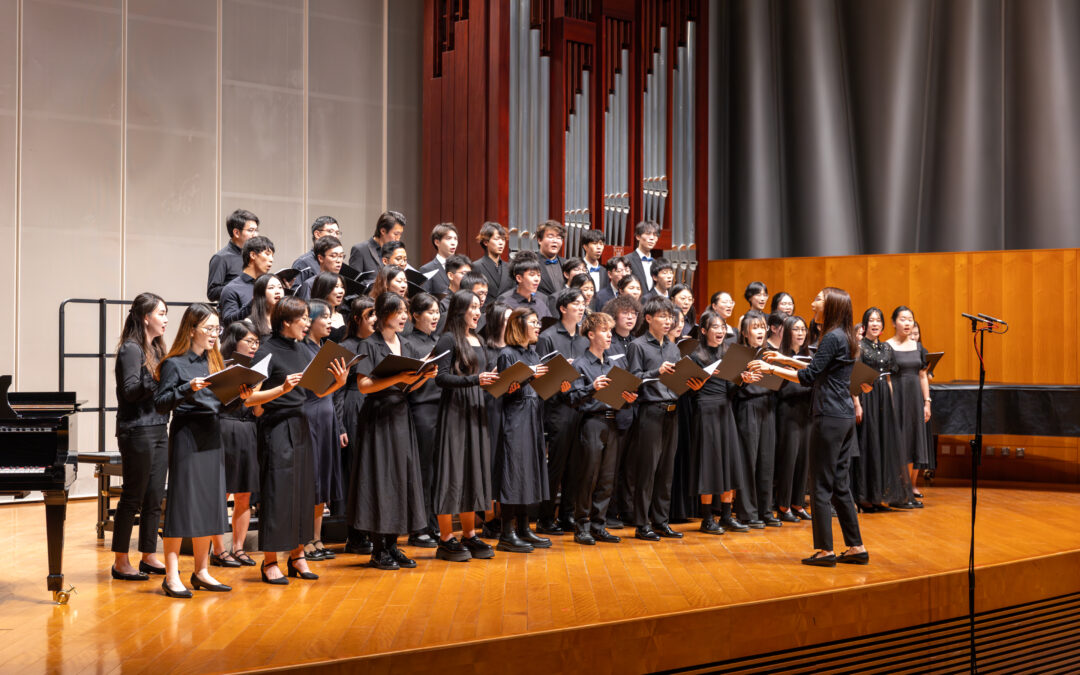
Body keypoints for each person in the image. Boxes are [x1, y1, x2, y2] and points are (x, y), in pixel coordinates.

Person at [753, 287, 868, 567]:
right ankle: (856, 547)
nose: (813, 301)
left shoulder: (831, 337)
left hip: (828, 415)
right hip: (842, 416)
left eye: (818, 298)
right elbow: (820, 368)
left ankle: (825, 550)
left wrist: (771, 370)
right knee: (840, 484)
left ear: (830, 306)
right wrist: (783, 359)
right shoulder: (846, 336)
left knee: (819, 484)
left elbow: (810, 377)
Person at [244, 296, 349, 584]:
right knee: (278, 494)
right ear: (286, 322)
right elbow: (249, 399)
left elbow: (314, 392)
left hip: (303, 424)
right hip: (276, 427)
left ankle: (298, 555)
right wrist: (280, 389)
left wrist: (336, 384)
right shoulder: (265, 351)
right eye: (302, 318)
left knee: (304, 491)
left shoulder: (304, 350)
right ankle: (269, 562)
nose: (307, 323)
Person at [153, 304, 238, 597]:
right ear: (192, 330)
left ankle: (201, 571)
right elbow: (161, 403)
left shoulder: (215, 362)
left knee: (209, 503)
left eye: (218, 329)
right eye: (209, 329)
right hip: (188, 435)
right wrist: (186, 388)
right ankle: (171, 575)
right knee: (181, 505)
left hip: (213, 435)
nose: (215, 334)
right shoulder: (174, 364)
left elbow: (224, 404)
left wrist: (241, 395)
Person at [349, 293, 435, 570]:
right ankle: (378, 549)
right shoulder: (369, 344)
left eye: (405, 311)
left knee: (401, 478)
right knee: (380, 479)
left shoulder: (407, 344)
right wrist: (398, 377)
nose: (403, 316)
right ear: (384, 313)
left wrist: (422, 376)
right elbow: (364, 386)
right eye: (398, 311)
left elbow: (409, 387)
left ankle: (393, 546)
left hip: (400, 414)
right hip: (377, 416)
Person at [626, 297, 704, 541]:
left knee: (666, 471)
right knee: (647, 471)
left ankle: (661, 520)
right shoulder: (638, 345)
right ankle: (642, 523)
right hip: (650, 411)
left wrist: (693, 382)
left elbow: (677, 378)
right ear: (648, 318)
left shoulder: (673, 347)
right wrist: (655, 372)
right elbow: (634, 379)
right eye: (662, 316)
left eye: (670, 317)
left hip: (673, 410)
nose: (668, 321)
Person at [430, 291, 499, 561]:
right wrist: (475, 381)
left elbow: (483, 375)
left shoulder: (478, 338)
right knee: (452, 471)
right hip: (455, 409)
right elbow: (441, 378)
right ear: (459, 310)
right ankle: (446, 538)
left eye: (479, 307)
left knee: (472, 470)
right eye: (473, 307)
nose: (478, 312)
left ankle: (469, 534)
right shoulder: (448, 338)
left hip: (476, 408)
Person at [109, 293, 170, 581]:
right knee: (133, 496)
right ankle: (121, 561)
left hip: (159, 427)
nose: (166, 319)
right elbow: (130, 392)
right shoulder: (130, 350)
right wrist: (158, 376)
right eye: (161, 313)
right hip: (136, 429)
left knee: (155, 496)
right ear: (146, 317)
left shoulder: (158, 349)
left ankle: (149, 555)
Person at [567, 312, 635, 544]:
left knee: (607, 477)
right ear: (590, 334)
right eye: (605, 331)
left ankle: (599, 525)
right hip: (592, 423)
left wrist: (628, 397)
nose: (609, 335)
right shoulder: (581, 364)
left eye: (610, 331)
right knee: (589, 476)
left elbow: (620, 394)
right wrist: (592, 387)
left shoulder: (614, 363)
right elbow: (573, 397)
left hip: (613, 421)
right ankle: (581, 526)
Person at [494, 309, 554, 553]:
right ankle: (506, 533)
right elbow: (506, 390)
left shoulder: (533, 353)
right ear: (518, 326)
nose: (538, 326)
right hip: (515, 417)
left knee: (529, 471)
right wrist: (530, 375)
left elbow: (539, 389)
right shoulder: (507, 354)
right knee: (514, 472)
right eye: (533, 322)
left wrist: (556, 382)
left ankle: (524, 528)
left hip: (533, 415)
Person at [687, 309, 746, 534]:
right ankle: (707, 518)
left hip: (724, 408)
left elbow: (730, 390)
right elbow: (689, 392)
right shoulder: (696, 355)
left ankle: (727, 515)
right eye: (715, 327)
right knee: (708, 463)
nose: (720, 331)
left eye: (723, 327)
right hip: (705, 409)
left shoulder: (728, 353)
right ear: (704, 331)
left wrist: (741, 380)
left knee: (728, 461)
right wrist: (697, 387)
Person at [536, 288, 589, 535]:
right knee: (556, 465)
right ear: (562, 308)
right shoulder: (548, 337)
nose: (581, 307)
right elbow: (541, 374)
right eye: (576, 303)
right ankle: (546, 518)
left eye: (583, 303)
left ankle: (567, 515)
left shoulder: (584, 340)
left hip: (581, 405)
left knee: (575, 466)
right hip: (557, 407)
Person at [301, 300, 346, 561]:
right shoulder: (304, 349)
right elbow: (314, 389)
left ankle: (317, 538)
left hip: (327, 416)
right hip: (311, 416)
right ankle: (305, 539)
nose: (329, 321)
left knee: (324, 481)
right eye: (325, 317)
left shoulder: (323, 348)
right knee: (313, 479)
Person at [215, 320, 262, 568]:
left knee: (244, 494)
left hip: (248, 430)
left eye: (256, 342)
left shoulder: (256, 371)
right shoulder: (222, 367)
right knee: (222, 493)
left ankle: (239, 547)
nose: (254, 346)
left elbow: (258, 411)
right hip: (224, 428)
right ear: (235, 341)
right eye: (249, 341)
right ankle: (218, 549)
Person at [854, 307, 910, 512]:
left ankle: (878, 496)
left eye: (878, 320)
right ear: (865, 325)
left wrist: (891, 402)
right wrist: (857, 404)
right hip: (865, 396)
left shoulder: (886, 348)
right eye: (871, 320)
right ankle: (864, 497)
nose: (875, 324)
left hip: (883, 397)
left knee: (882, 445)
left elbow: (888, 377)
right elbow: (855, 376)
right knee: (868, 445)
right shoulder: (859, 346)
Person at [731, 310, 778, 529]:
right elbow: (728, 387)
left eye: (762, 327)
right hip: (746, 407)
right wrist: (741, 380)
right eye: (755, 328)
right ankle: (747, 512)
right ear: (744, 333)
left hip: (767, 406)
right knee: (748, 460)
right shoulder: (737, 354)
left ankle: (765, 509)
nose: (760, 331)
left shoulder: (769, 354)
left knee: (766, 461)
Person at [402, 292, 442, 548]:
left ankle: (436, 523)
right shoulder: (407, 344)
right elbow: (404, 385)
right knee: (423, 471)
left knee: (439, 471)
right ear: (415, 315)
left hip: (442, 408)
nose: (435, 317)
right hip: (421, 409)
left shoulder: (439, 341)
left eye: (437, 312)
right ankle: (419, 527)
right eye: (430, 312)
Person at [338, 295, 377, 555]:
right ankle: (354, 534)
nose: (374, 319)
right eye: (369, 315)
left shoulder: (377, 343)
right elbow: (336, 391)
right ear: (356, 319)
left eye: (376, 314)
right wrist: (339, 425)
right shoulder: (346, 346)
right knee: (355, 471)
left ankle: (372, 528)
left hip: (374, 404)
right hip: (353, 405)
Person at [600, 294, 642, 527]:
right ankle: (608, 512)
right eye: (625, 313)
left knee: (631, 466)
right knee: (611, 468)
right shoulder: (609, 342)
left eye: (634, 313)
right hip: (614, 410)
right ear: (614, 315)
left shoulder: (635, 341)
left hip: (634, 409)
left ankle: (627, 510)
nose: (630, 317)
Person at [887, 306, 931, 507]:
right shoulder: (887, 346)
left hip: (915, 400)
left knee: (913, 442)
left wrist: (927, 402)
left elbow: (922, 375)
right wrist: (891, 401)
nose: (907, 323)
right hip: (897, 398)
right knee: (900, 443)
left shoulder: (918, 347)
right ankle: (898, 492)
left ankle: (908, 491)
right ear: (894, 322)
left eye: (910, 319)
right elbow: (886, 378)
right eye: (903, 319)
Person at [773, 315, 814, 523]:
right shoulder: (780, 356)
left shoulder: (810, 357)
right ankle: (783, 505)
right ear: (787, 332)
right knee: (788, 459)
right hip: (787, 410)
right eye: (796, 329)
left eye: (803, 329)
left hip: (806, 410)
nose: (800, 333)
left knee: (803, 459)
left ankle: (798, 503)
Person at [219, 235, 275, 325]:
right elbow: (229, 321)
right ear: (252, 255)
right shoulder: (232, 289)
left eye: (272, 256)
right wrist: (252, 303)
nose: (271, 260)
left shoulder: (270, 286)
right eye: (267, 254)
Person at [207, 209, 259, 301]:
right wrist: (240, 285)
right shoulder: (221, 258)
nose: (255, 235)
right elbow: (212, 293)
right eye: (251, 230)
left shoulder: (254, 255)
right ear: (236, 233)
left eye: (256, 230)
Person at [497, 251, 552, 321]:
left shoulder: (541, 302)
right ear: (519, 278)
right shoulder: (506, 302)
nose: (537, 279)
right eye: (532, 274)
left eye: (538, 275)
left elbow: (550, 328)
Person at [292, 216, 341, 286]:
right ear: (317, 234)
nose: (335, 236)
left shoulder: (337, 262)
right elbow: (296, 293)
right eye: (330, 231)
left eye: (337, 233)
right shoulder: (303, 263)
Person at [473, 221, 511, 305]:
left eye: (503, 239)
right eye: (497, 239)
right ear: (486, 242)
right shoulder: (476, 266)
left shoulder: (509, 267)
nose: (501, 243)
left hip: (506, 313)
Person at [296, 236, 345, 300]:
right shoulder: (310, 284)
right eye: (333, 256)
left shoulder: (342, 281)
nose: (339, 260)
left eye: (341, 256)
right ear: (320, 258)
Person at [421, 222, 459, 296]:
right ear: (437, 242)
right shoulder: (427, 269)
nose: (453, 243)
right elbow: (424, 299)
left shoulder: (460, 267)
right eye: (449, 238)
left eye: (455, 239)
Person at [626, 220, 660, 291]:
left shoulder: (657, 263)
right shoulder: (627, 260)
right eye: (648, 234)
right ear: (638, 237)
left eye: (655, 235)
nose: (652, 238)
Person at [249, 273, 285, 340]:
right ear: (260, 293)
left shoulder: (288, 319)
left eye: (280, 287)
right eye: (271, 288)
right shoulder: (250, 323)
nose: (278, 292)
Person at [536, 220, 567, 296]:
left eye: (559, 237)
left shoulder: (566, 263)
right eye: (550, 236)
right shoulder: (531, 262)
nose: (555, 241)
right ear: (539, 240)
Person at [580, 228, 609, 293]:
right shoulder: (577, 268)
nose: (599, 247)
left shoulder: (604, 271)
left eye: (601, 244)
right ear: (585, 247)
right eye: (595, 243)